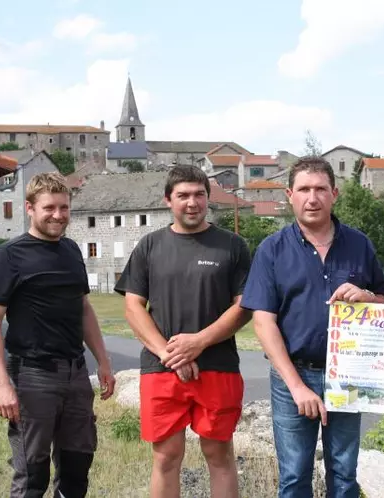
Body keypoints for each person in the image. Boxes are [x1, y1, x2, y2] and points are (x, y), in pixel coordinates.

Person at [241, 156, 384, 498]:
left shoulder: (359, 244)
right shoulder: (271, 250)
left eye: (321, 189)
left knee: (344, 473)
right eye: (304, 189)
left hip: (349, 374)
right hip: (293, 375)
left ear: (334, 194)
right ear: (289, 195)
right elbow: (263, 323)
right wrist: (296, 387)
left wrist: (366, 296)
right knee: (294, 476)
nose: (313, 198)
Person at [114, 165, 252, 498]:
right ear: (168, 200)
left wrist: (198, 343)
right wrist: (170, 354)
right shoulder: (149, 246)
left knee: (219, 455)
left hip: (218, 366)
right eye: (183, 196)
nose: (192, 203)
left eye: (199, 195)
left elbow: (244, 307)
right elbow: (133, 308)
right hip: (161, 370)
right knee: (166, 457)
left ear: (208, 198)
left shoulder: (232, 246)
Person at [0, 172, 116, 498]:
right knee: (32, 475)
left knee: (76, 470)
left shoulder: (71, 251)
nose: (58, 215)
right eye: (50, 208)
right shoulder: (8, 256)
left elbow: (83, 309)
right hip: (32, 376)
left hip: (75, 374)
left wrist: (104, 361)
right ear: (30, 208)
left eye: (64, 208)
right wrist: (2, 384)